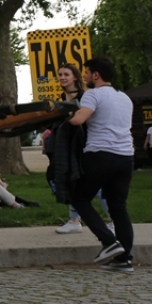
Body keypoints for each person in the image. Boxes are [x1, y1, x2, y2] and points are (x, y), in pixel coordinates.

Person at [68, 56, 136, 273]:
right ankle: (124, 259)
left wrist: (61, 113)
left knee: (79, 198)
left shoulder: (93, 95)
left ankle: (109, 241)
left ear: (96, 75)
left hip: (100, 155)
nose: (85, 77)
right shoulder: (125, 97)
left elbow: (78, 120)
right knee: (118, 207)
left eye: (87, 73)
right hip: (126, 157)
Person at [49, 63, 111, 234]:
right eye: (60, 74)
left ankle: (113, 219)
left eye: (66, 74)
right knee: (72, 183)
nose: (62, 77)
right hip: (66, 147)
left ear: (75, 77)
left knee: (95, 185)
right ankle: (74, 220)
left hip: (84, 146)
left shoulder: (86, 97)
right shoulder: (62, 98)